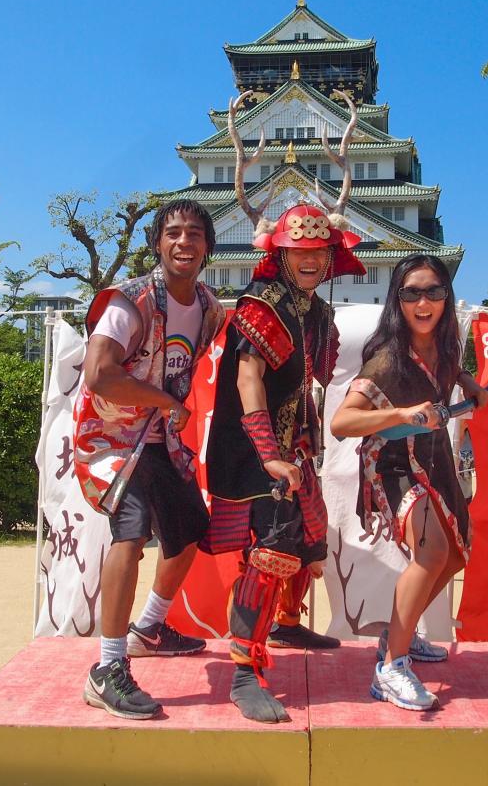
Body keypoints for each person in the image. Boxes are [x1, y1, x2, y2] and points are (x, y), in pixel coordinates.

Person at [202, 202, 366, 723]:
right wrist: (268, 453)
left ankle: (286, 623)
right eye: (300, 252)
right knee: (270, 549)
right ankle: (245, 671)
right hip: (256, 449)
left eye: (319, 252)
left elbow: (310, 378)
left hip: (295, 445)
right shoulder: (263, 302)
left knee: (306, 537)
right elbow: (248, 377)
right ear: (281, 254)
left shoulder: (315, 311)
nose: (311, 261)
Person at [74, 199, 227, 720]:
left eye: (194, 234)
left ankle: (149, 627)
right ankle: (107, 667)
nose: (184, 242)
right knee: (132, 533)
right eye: (173, 233)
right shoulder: (130, 301)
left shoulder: (210, 307)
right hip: (115, 436)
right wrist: (165, 401)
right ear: (158, 244)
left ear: (208, 246)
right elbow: (98, 374)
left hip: (162, 438)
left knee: (188, 532)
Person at [331, 254, 488, 711]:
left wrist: (468, 382)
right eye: (412, 293)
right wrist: (401, 415)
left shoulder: (447, 344)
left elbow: (449, 370)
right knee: (433, 552)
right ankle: (391, 668)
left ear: (446, 297)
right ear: (397, 300)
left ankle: (398, 635)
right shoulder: (386, 361)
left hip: (436, 458)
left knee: (455, 553)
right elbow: (343, 422)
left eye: (434, 292)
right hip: (394, 465)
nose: (424, 302)